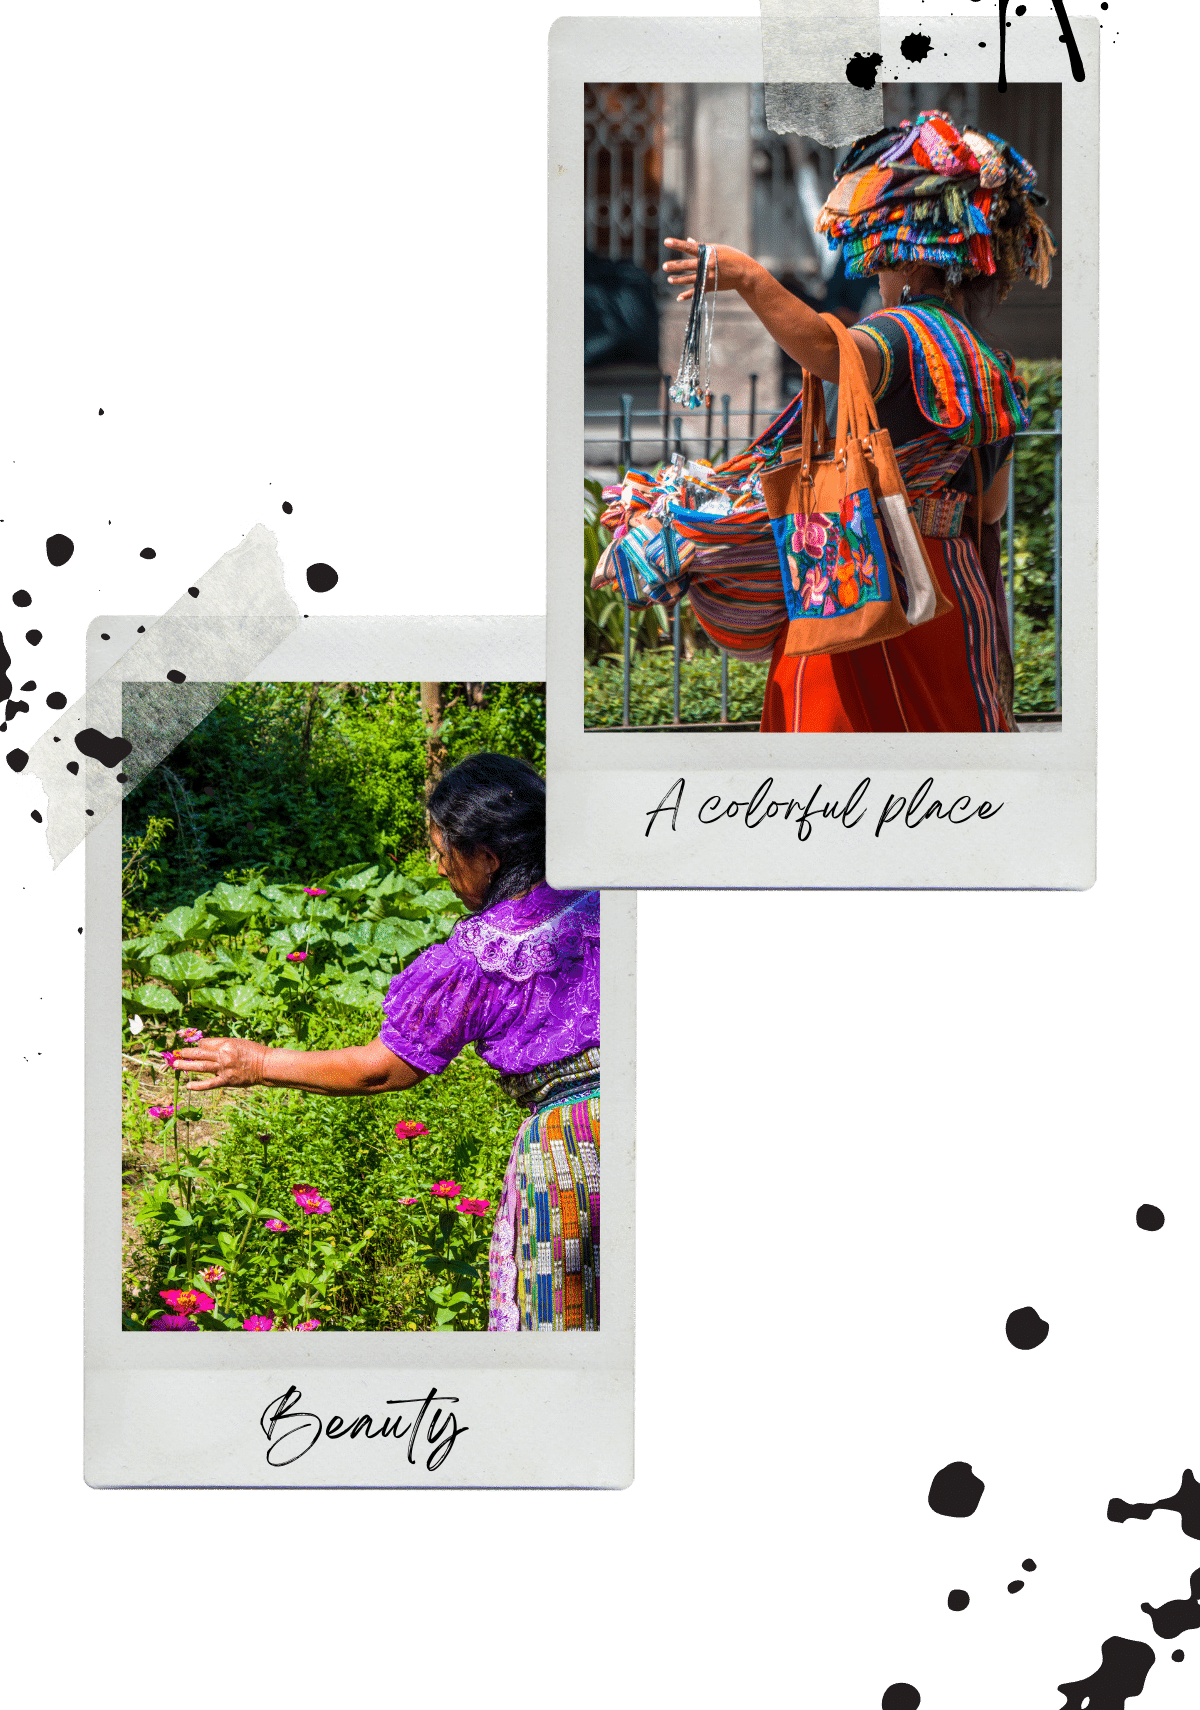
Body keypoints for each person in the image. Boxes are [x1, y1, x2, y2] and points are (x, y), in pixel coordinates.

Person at [177, 753, 600, 1332]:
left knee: (565, 1322)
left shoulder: (485, 956)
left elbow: (382, 1068)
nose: (438, 868)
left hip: (573, 1151)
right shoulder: (612, 894)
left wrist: (258, 1061)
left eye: (442, 851)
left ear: (489, 857)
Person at [663, 110, 1056, 732]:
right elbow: (986, 514)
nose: (872, 269)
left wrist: (747, 277)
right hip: (956, 594)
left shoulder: (899, 333)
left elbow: (830, 351)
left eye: (878, 256)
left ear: (906, 256)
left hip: (873, 586)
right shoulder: (992, 366)